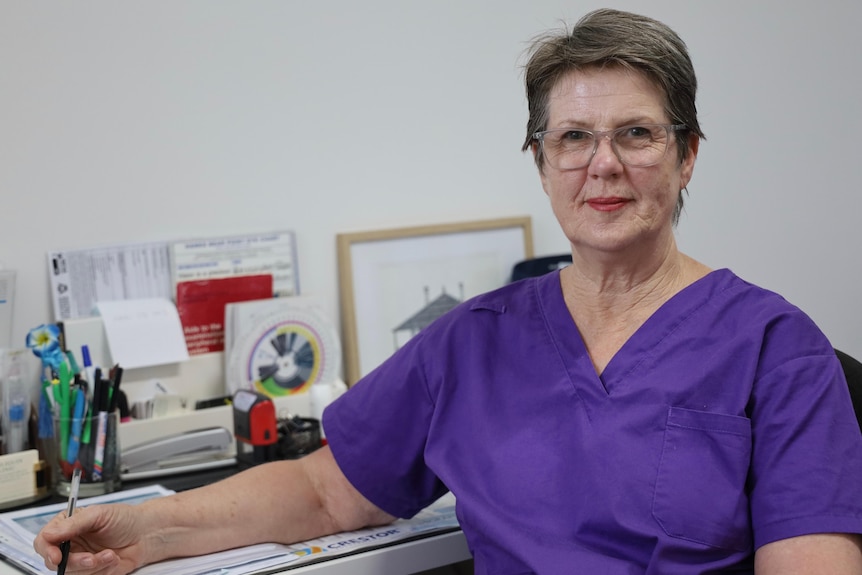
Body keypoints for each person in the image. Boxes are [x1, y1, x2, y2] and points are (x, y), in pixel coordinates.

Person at [34, 8, 862, 574]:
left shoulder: (775, 349)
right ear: (541, 163)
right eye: (572, 137)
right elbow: (325, 489)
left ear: (686, 156)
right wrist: (143, 530)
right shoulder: (476, 339)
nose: (601, 163)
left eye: (636, 134)